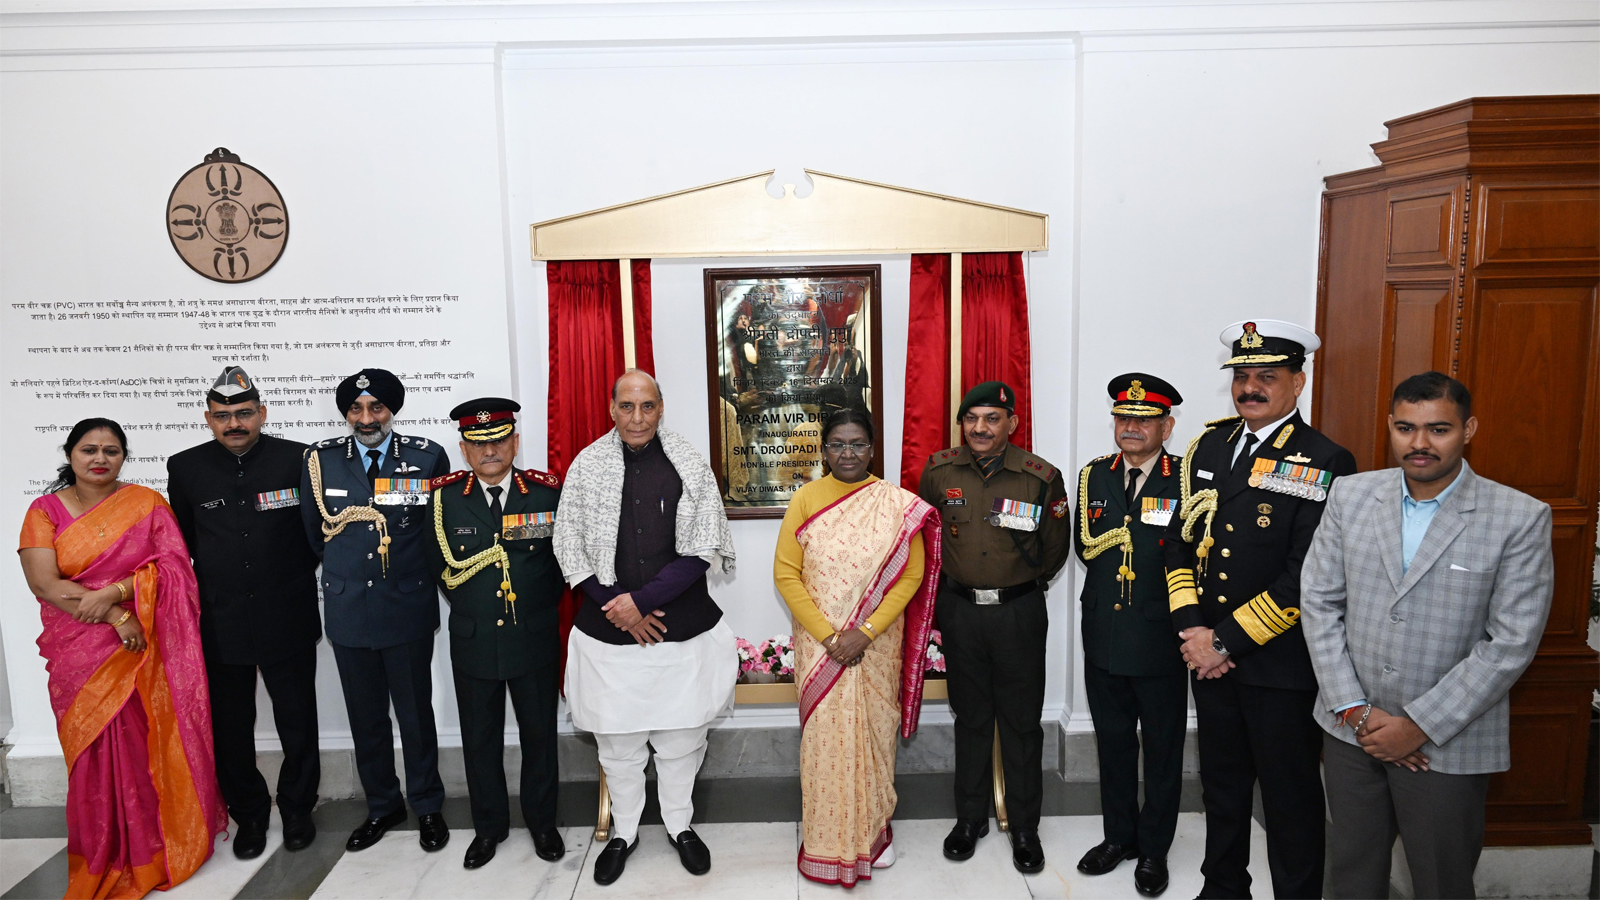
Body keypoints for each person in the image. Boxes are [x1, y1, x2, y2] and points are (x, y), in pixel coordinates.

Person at [1302, 372, 1553, 900]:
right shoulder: (1350, 495)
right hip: (1351, 732)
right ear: (1390, 428)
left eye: (1438, 429)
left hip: (1448, 741)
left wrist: (1418, 725)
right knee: (1351, 874)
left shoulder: (1519, 517)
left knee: (1442, 880)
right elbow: (1320, 604)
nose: (1419, 443)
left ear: (1468, 429)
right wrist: (1354, 709)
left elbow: (1511, 644)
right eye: (1405, 427)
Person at [1163, 320, 1357, 899]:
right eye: (1242, 376)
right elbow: (1179, 541)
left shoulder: (1326, 459)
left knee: (1289, 798)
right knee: (1221, 788)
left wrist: (1222, 643)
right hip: (1209, 658)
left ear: (1297, 383)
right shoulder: (1210, 447)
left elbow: (1308, 575)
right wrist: (1193, 629)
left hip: (1278, 665)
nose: (1250, 388)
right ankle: (1223, 889)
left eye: (1266, 377)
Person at [18, 418, 227, 898]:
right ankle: (103, 850)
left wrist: (116, 592)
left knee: (143, 743)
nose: (100, 459)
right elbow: (44, 583)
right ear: (70, 454)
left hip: (142, 646)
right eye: (89, 449)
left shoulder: (146, 504)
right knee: (91, 751)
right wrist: (115, 614)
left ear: (123, 457)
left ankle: (152, 846)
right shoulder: (44, 510)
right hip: (79, 647)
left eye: (111, 451)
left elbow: (173, 566)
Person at [554, 369, 738, 886]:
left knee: (682, 738)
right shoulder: (587, 465)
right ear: (612, 408)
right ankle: (624, 832)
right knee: (619, 744)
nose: (637, 417)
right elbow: (568, 546)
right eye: (627, 406)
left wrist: (641, 603)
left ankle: (681, 826)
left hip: (680, 629)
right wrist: (618, 607)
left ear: (661, 408)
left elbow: (702, 548)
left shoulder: (688, 462)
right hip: (608, 629)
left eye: (648, 406)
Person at [774, 408, 943, 888]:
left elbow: (911, 574)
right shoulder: (806, 499)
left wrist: (864, 632)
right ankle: (825, 843)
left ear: (872, 449)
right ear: (824, 450)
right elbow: (786, 573)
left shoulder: (895, 504)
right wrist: (830, 637)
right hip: (820, 647)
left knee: (873, 735)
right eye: (837, 445)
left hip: (874, 645)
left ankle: (874, 836)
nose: (847, 454)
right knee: (824, 743)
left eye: (857, 445)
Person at [165, 366, 321, 859]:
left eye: (244, 413)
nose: (234, 423)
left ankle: (297, 809)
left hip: (287, 613)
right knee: (232, 727)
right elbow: (185, 542)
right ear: (208, 419)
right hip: (220, 619)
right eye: (223, 415)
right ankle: (249, 814)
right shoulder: (185, 467)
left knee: (298, 719)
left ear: (262, 413)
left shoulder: (299, 459)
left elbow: (315, 535)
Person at [917, 380, 1072, 874]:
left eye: (991, 419)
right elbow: (929, 537)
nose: (980, 428)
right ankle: (969, 820)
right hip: (961, 611)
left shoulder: (1039, 476)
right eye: (971, 418)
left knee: (1022, 721)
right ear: (962, 423)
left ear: (1012, 424)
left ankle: (1024, 826)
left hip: (1018, 613)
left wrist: (1015, 586)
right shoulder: (941, 471)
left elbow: (1054, 550)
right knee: (972, 717)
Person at [300, 368, 452, 854]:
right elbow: (313, 535)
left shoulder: (426, 457)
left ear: (393, 410)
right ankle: (383, 805)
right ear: (346, 412)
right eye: (356, 409)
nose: (366, 418)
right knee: (366, 719)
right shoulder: (320, 462)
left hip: (406, 607)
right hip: (348, 612)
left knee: (415, 715)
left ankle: (427, 805)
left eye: (377, 408)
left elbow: (436, 533)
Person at [426, 398, 566, 870]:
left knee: (540, 737)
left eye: (500, 441)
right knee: (479, 739)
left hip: (534, 636)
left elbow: (562, 565)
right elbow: (438, 565)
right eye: (479, 444)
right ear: (464, 450)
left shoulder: (546, 493)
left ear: (515, 442)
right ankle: (488, 829)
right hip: (475, 639)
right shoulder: (444, 498)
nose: (491, 451)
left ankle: (543, 824)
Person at [1074, 374, 1187, 897]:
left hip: (1162, 639)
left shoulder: (1186, 480)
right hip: (1104, 636)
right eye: (1124, 418)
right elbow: (1085, 547)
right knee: (1114, 745)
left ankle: (1154, 849)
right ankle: (1118, 838)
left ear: (1167, 425)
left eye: (1144, 420)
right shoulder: (1092, 477)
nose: (1132, 428)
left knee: (1162, 751)